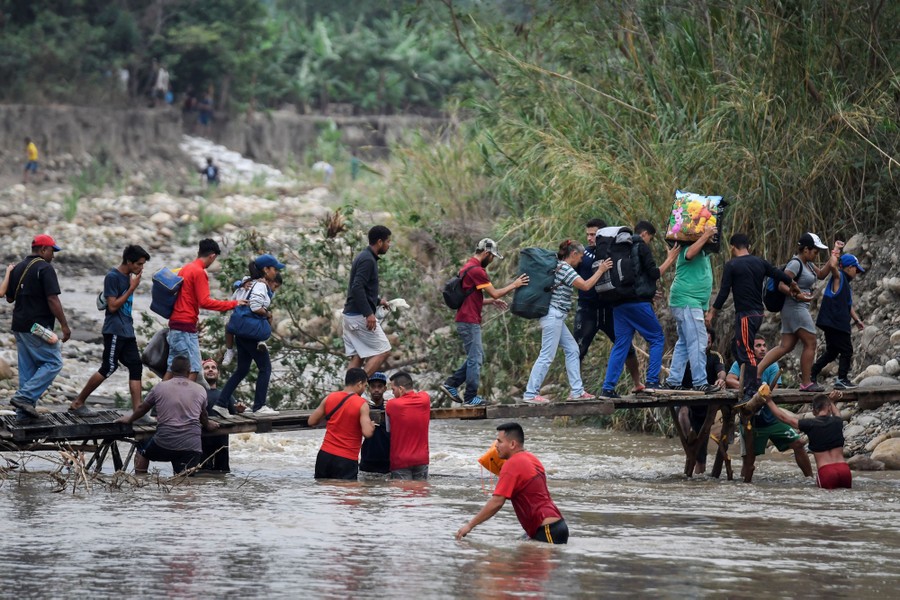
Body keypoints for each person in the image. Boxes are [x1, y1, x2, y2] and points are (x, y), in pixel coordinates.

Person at [706, 233, 801, 400]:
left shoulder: (732, 265)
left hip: (745, 314)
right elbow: (777, 273)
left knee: (747, 351)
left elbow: (723, 292)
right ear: (748, 246)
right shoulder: (760, 262)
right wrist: (792, 283)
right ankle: (749, 382)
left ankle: (751, 389)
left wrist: (712, 312)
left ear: (732, 247)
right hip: (758, 312)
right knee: (737, 346)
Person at [441, 238, 529, 406]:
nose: (492, 260)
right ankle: (470, 397)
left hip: (466, 318)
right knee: (476, 358)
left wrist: (490, 302)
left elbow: (472, 297)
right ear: (487, 254)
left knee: (476, 357)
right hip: (469, 321)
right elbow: (495, 293)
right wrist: (515, 284)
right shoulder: (477, 270)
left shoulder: (468, 267)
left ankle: (451, 383)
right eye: (493, 257)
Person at [523, 240, 612, 404]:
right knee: (546, 355)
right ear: (574, 254)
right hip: (553, 315)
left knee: (572, 349)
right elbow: (585, 286)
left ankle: (577, 391)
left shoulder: (559, 266)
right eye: (581, 257)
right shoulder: (565, 268)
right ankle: (530, 393)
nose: (581, 260)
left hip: (556, 316)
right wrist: (601, 270)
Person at [68, 245, 151, 417]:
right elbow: (112, 306)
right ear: (129, 261)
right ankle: (78, 402)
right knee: (109, 366)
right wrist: (132, 288)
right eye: (139, 264)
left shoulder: (129, 276)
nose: (141, 268)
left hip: (127, 330)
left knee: (136, 366)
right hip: (114, 330)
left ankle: (137, 412)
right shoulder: (112, 277)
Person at [456, 422, 568, 544]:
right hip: (552, 525)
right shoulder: (531, 458)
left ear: (512, 444)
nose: (496, 446)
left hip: (547, 529)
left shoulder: (512, 464)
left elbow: (497, 502)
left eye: (499, 441)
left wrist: (470, 525)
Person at [600, 221, 676, 398]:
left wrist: (648, 292)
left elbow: (636, 277)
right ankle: (651, 381)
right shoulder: (640, 246)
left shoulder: (619, 248)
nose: (648, 241)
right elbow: (654, 274)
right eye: (650, 238)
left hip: (619, 304)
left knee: (621, 344)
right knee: (657, 337)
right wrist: (670, 259)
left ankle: (608, 388)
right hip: (637, 304)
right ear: (644, 234)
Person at [725, 335, 812, 482]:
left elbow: (774, 388)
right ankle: (743, 488)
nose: (763, 349)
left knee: (798, 443)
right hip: (750, 421)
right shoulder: (742, 363)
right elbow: (729, 379)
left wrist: (754, 388)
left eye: (764, 345)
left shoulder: (772, 365)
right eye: (758, 346)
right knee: (748, 459)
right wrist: (748, 386)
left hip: (772, 418)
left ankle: (810, 479)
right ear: (751, 350)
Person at [5, 235, 70, 423]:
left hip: (19, 324)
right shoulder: (45, 268)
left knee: (28, 369)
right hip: (37, 326)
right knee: (54, 362)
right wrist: (64, 325)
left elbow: (10, 298)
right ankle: (24, 398)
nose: (53, 256)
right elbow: (52, 299)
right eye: (52, 251)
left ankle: (24, 416)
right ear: (43, 250)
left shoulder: (17, 268)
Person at [116, 356, 219, 475]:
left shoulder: (160, 387)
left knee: (141, 446)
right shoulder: (200, 390)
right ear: (189, 370)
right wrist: (208, 425)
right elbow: (203, 416)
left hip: (164, 444)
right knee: (185, 482)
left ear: (171, 369)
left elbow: (142, 408)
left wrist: (130, 419)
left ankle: (140, 479)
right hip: (192, 447)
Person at [755, 232, 830, 392]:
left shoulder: (808, 264)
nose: (817, 255)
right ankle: (806, 382)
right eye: (815, 251)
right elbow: (782, 284)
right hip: (795, 307)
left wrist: (835, 255)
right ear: (805, 250)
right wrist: (798, 295)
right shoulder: (796, 264)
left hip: (795, 308)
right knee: (811, 342)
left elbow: (822, 274)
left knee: (786, 346)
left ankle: (757, 371)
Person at [573, 218, 642, 391]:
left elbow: (629, 276)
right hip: (587, 309)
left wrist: (645, 292)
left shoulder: (616, 252)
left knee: (627, 347)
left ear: (602, 234)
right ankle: (575, 390)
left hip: (611, 309)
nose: (589, 238)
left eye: (593, 234)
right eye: (587, 234)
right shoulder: (582, 255)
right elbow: (567, 272)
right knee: (577, 351)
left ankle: (637, 383)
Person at [166, 239, 246, 381]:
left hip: (175, 324)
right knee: (195, 368)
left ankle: (155, 401)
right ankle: (187, 401)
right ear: (212, 256)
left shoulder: (186, 268)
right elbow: (205, 302)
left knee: (172, 368)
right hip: (186, 327)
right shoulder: (199, 272)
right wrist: (233, 304)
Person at [218, 254, 285, 415]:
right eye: (274, 269)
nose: (276, 272)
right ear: (266, 270)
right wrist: (267, 314)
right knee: (265, 368)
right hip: (250, 332)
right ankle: (259, 406)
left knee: (242, 369)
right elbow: (255, 307)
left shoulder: (246, 283)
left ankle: (220, 403)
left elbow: (235, 298)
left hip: (240, 330)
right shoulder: (259, 285)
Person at [664, 225, 718, 392]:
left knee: (685, 342)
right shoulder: (688, 247)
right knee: (698, 341)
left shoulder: (703, 253)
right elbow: (689, 254)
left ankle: (673, 379)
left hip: (690, 303)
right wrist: (705, 234)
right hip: (687, 301)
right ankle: (700, 382)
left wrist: (705, 308)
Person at [764, 390, 851, 489]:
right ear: (829, 409)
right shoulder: (838, 421)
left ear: (814, 411)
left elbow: (784, 418)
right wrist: (831, 401)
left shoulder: (809, 424)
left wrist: (769, 401)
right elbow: (837, 413)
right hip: (844, 470)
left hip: (826, 472)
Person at [342, 225, 393, 376]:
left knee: (358, 355)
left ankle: (346, 395)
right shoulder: (368, 260)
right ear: (379, 242)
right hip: (359, 316)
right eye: (388, 241)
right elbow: (357, 287)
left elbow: (361, 288)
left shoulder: (364, 256)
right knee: (384, 350)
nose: (389, 245)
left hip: (350, 314)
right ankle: (356, 387)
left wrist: (377, 301)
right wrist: (368, 313)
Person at [308, 368, 375, 480]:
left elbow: (311, 421)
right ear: (359, 384)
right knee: (346, 494)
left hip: (325, 455)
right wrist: (371, 426)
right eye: (365, 386)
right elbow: (367, 433)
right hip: (346, 459)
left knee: (323, 492)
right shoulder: (362, 404)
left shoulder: (329, 397)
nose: (364, 389)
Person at [811, 253, 866, 390]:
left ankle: (811, 372)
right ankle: (842, 379)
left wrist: (857, 320)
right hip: (836, 322)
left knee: (832, 352)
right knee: (847, 350)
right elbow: (833, 266)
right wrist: (836, 251)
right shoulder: (839, 277)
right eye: (855, 269)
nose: (856, 273)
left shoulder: (846, 284)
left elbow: (848, 305)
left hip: (832, 322)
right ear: (848, 268)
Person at [676, 330, 727, 474]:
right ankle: (689, 440)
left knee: (701, 459)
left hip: (704, 408)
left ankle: (697, 483)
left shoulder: (714, 357)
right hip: (685, 400)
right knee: (683, 413)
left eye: (708, 342)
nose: (705, 345)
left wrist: (721, 379)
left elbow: (721, 371)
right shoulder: (685, 355)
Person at [200, 358, 247, 473]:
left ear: (218, 373)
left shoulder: (225, 395)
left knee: (222, 475)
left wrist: (240, 411)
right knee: (201, 475)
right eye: (206, 368)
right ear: (201, 373)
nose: (210, 370)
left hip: (221, 444)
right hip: (200, 443)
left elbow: (234, 416)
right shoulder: (196, 393)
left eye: (213, 368)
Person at [385, 371, 431, 480]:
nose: (392, 393)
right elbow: (421, 392)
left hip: (401, 460)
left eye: (393, 390)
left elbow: (388, 429)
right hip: (422, 458)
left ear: (401, 389)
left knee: (402, 495)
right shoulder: (425, 399)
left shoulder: (392, 404)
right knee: (421, 492)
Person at [359, 372, 391, 478]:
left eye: (379, 386)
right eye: (373, 386)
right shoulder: (363, 407)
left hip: (387, 460)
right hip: (367, 459)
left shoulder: (391, 407)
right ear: (369, 388)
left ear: (385, 388)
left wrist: (392, 409)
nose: (376, 389)